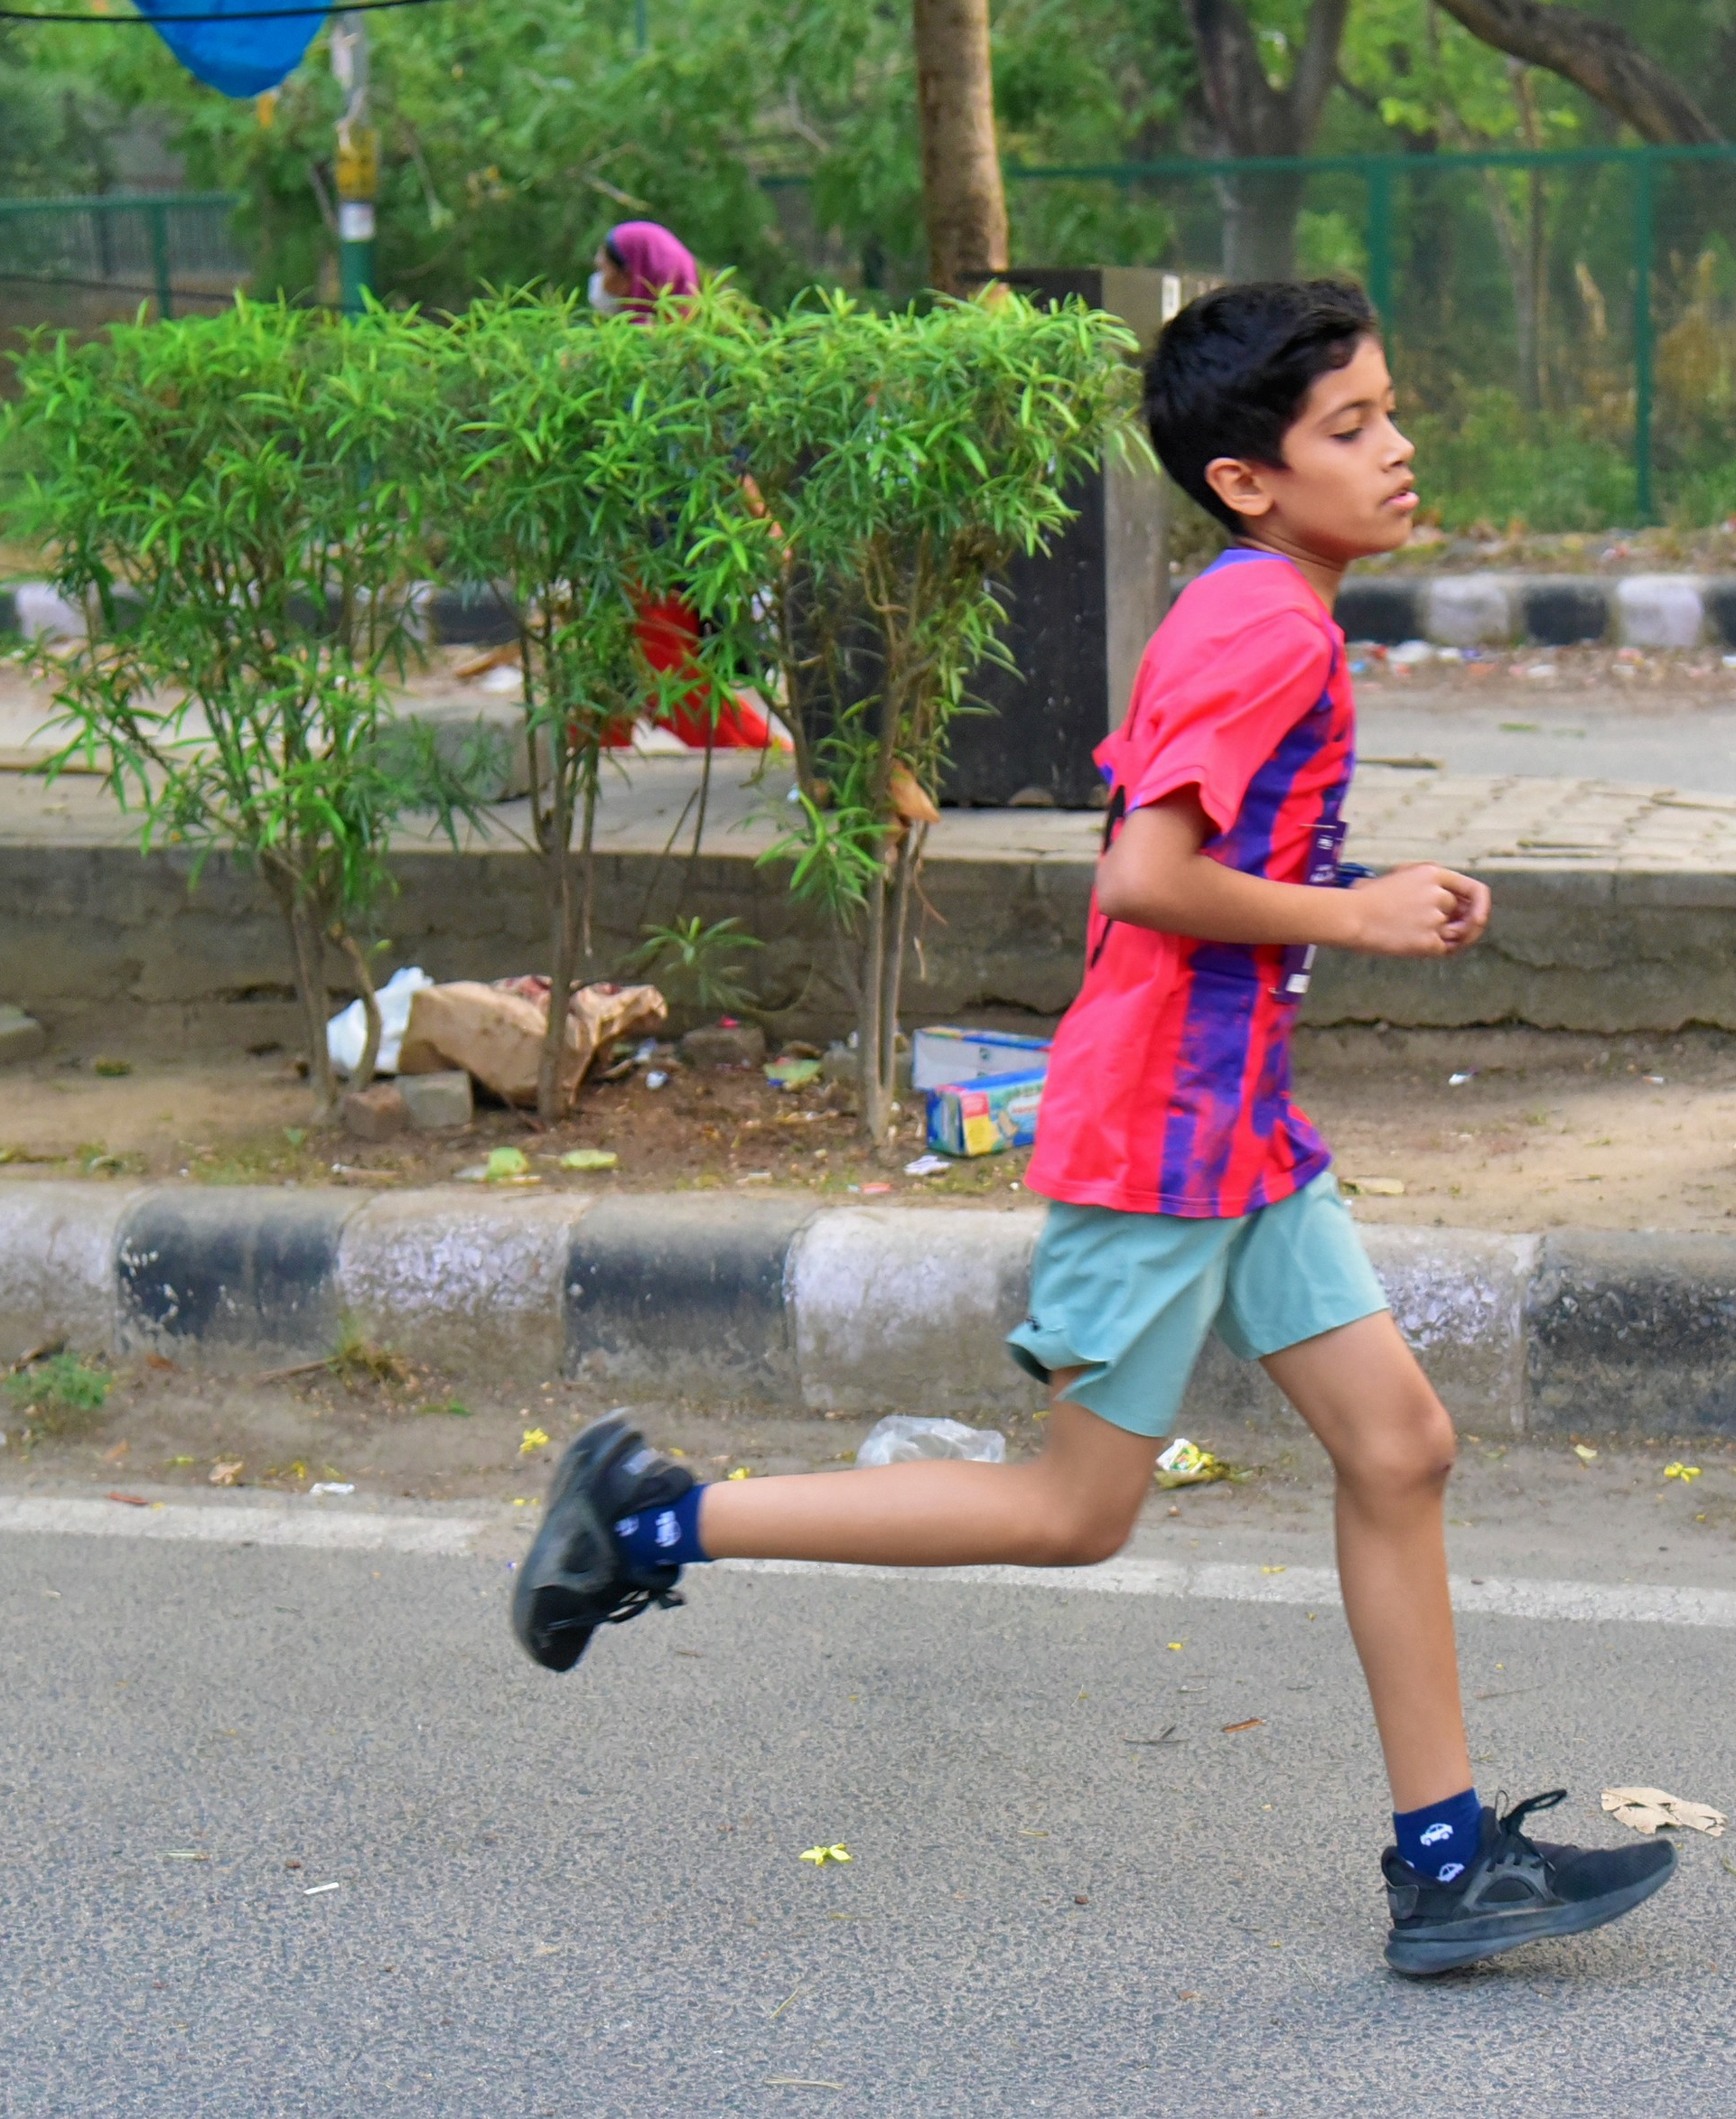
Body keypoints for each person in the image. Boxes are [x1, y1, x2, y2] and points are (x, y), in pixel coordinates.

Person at [509, 279, 1676, 1978]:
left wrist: (1354, 889)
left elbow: (1199, 851)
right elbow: (1142, 873)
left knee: (1398, 1446)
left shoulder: (1256, 606)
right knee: (1073, 1508)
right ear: (1246, 480)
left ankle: (1445, 1867)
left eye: (1387, 411)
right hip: (1165, 1128)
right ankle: (646, 1518)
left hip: (1233, 1118)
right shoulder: (1268, 629)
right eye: (1349, 426)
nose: (1394, 447)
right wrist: (1354, 914)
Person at [582, 219, 783, 752]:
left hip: (659, 549)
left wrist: (762, 527)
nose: (597, 282)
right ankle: (587, 769)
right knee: (601, 677)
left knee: (665, 674)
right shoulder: (639, 353)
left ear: (635, 275)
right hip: (623, 547)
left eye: (605, 270)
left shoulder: (679, 359)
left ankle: (764, 754)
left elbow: (725, 458)